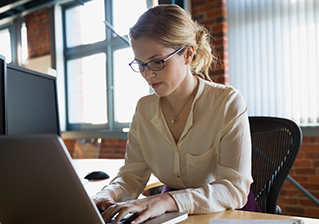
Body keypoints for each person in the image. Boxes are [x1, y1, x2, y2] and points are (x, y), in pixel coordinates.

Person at [92, 4, 259, 224]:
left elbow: (234, 189)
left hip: (227, 213)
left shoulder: (227, 102)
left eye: (157, 62)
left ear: (188, 54)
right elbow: (132, 175)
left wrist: (168, 201)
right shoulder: (144, 109)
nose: (148, 74)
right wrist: (108, 194)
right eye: (140, 64)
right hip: (172, 210)